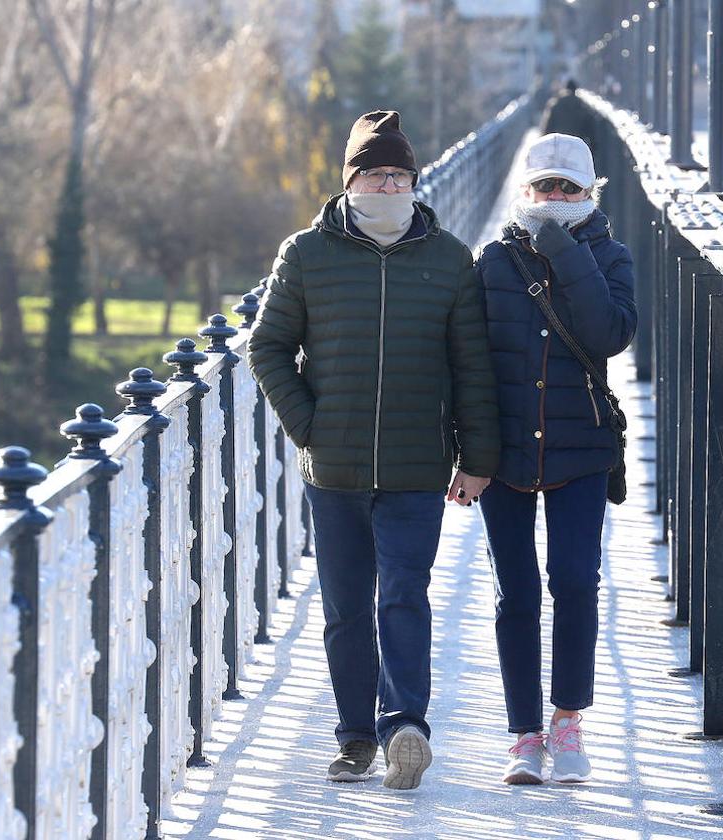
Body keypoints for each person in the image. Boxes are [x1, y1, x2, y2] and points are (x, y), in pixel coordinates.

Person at [248, 110, 500, 791]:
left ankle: (405, 728)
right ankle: (355, 737)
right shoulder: (305, 254)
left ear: (415, 183)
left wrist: (477, 458)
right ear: (350, 180)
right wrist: (310, 425)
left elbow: (472, 367)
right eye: (376, 174)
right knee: (346, 609)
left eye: (400, 176)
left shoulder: (449, 259)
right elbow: (267, 346)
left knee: (405, 596)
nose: (389, 186)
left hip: (419, 467)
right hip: (333, 470)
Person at [473, 132, 637, 785]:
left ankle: (568, 723)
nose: (555, 197)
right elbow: (469, 363)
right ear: (526, 190)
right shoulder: (491, 262)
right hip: (505, 452)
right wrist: (468, 451)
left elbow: (609, 334)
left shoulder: (611, 255)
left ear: (590, 194)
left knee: (574, 580)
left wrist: (564, 250)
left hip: (582, 446)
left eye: (569, 188)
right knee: (514, 592)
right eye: (545, 186)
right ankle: (524, 736)